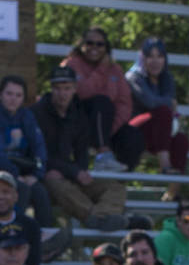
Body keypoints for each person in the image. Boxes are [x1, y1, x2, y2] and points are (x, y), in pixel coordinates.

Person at [36, 66, 127, 230]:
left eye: (67, 88)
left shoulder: (78, 115)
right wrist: (73, 171)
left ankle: (102, 217)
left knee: (115, 186)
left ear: (74, 89)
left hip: (71, 173)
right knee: (54, 180)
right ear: (51, 89)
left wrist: (79, 172)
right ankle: (97, 217)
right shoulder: (38, 113)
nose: (62, 94)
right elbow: (40, 155)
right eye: (57, 89)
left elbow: (82, 152)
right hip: (46, 175)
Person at [0, 75, 53, 226]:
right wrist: (16, 175)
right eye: (9, 94)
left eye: (18, 95)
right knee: (20, 189)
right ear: (0, 95)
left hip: (20, 172)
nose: (13, 99)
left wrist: (36, 175)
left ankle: (45, 238)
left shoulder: (26, 115)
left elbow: (39, 146)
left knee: (40, 191)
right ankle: (13, 232)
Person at [59, 25, 140, 168]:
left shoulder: (115, 70)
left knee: (132, 136)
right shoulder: (71, 64)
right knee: (102, 102)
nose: (94, 47)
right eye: (89, 43)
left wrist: (108, 128)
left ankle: (121, 178)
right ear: (82, 44)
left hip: (108, 127)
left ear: (106, 47)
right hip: (79, 122)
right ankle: (103, 153)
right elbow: (83, 92)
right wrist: (101, 69)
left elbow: (125, 103)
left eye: (100, 44)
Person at [124, 36, 189, 177]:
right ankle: (164, 165)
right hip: (133, 132)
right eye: (150, 56)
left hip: (159, 133)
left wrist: (169, 105)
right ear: (142, 58)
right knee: (163, 111)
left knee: (181, 140)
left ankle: (173, 191)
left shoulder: (167, 78)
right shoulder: (133, 77)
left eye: (159, 56)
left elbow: (165, 105)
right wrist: (169, 103)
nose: (155, 61)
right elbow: (151, 103)